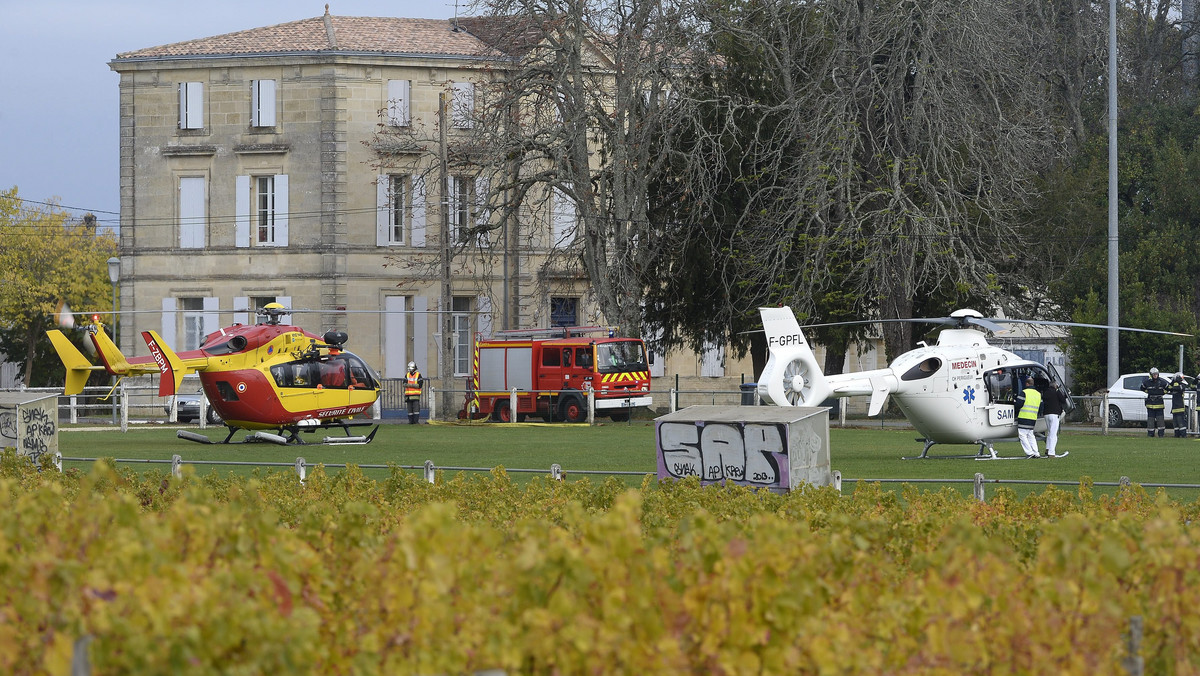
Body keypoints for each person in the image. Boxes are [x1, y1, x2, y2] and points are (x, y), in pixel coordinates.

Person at [1015, 376, 1043, 458]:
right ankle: (1036, 452)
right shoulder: (1038, 394)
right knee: (1031, 435)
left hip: (1024, 417)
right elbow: (1041, 407)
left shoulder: (1024, 392)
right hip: (1033, 417)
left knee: (1022, 435)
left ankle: (1029, 453)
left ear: (1027, 384)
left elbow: (1018, 404)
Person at [1040, 379, 1069, 457]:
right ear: (1055, 386)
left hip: (1046, 414)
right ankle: (1051, 452)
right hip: (1054, 414)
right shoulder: (1056, 392)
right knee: (1053, 434)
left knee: (1049, 432)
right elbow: (1063, 400)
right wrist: (1065, 394)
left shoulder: (1046, 392)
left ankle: (1047, 449)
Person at [1140, 367, 1169, 438]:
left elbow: (1168, 388)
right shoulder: (1147, 382)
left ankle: (1161, 434)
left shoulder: (1162, 382)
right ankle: (1150, 433)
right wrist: (1149, 392)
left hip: (1159, 404)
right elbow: (1142, 388)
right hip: (1150, 404)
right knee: (1150, 420)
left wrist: (1163, 393)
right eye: (1154, 374)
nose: (1155, 375)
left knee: (1160, 420)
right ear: (1151, 375)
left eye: (1156, 374)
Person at [1168, 372, 1190, 438]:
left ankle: (1183, 435)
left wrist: (1175, 383)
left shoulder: (1182, 385)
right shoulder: (1174, 384)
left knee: (1181, 423)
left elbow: (1178, 388)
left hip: (1180, 407)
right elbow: (1169, 388)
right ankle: (1176, 435)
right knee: (1175, 423)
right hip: (1174, 407)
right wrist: (1173, 381)